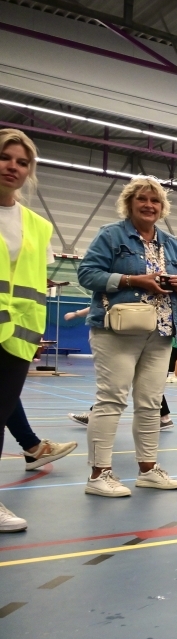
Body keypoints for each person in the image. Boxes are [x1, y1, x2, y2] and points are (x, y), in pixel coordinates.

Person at [78, 176, 177, 497]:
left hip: (161, 332)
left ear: (162, 207)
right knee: (111, 399)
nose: (149, 205)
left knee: (151, 403)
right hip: (117, 329)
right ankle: (99, 474)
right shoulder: (111, 235)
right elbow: (87, 273)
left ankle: (148, 470)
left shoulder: (171, 243)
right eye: (142, 199)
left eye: (155, 201)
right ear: (129, 203)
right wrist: (133, 280)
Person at [0, 130, 53, 531]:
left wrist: (32, 335)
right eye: (5, 157)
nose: (12, 167)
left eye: (22, 162)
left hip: (16, 337)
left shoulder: (37, 225)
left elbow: (37, 282)